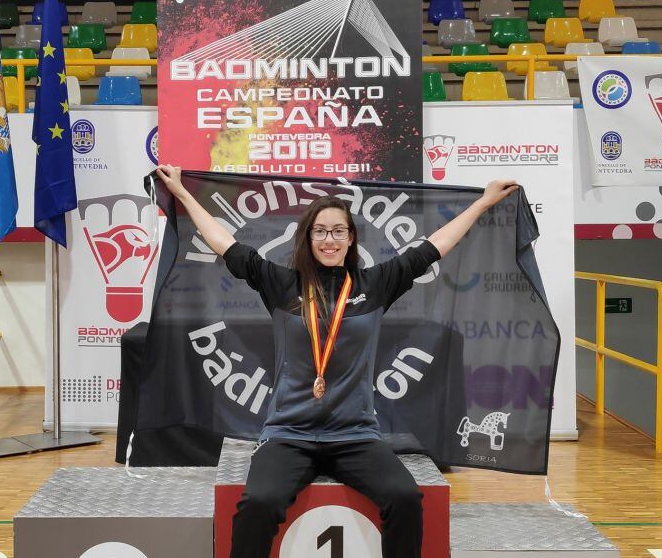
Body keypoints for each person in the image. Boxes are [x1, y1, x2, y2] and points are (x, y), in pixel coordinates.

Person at [154, 164, 519, 558]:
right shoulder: (281, 284)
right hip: (288, 435)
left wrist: (482, 203)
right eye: (320, 231)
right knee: (258, 504)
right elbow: (222, 241)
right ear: (308, 238)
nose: (329, 240)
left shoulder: (375, 285)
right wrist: (184, 194)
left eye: (338, 231)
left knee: (405, 498)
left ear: (351, 239)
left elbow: (434, 246)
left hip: (355, 436)